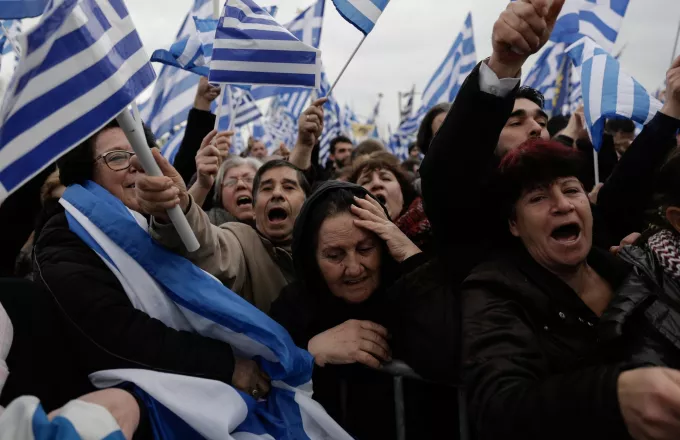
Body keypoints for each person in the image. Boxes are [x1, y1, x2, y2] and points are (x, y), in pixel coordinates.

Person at [420, 0, 680, 289]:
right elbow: (446, 171)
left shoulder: (591, 234)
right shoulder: (472, 216)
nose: (534, 127)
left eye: (541, 122)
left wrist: (671, 109)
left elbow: (622, 194)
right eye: (515, 122)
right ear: (514, 223)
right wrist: (505, 66)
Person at [32, 120, 268, 406]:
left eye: (143, 154)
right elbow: (114, 334)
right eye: (117, 157)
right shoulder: (63, 235)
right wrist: (226, 365)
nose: (136, 165)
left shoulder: (157, 228)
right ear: (87, 172)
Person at [462, 139, 680, 440]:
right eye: (538, 198)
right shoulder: (495, 289)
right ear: (514, 223)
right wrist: (613, 395)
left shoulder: (631, 267)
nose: (563, 205)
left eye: (571, 190)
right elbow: (499, 403)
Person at [269, 181, 456, 439]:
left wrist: (411, 257)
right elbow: (263, 375)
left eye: (366, 249)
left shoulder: (411, 291)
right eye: (335, 256)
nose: (355, 268)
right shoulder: (294, 306)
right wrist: (308, 353)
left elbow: (452, 353)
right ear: (312, 260)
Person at [137, 156, 311, 313]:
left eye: (289, 187)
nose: (277, 194)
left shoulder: (327, 237)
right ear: (254, 210)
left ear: (307, 204)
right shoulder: (243, 240)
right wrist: (177, 209)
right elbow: (211, 247)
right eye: (266, 188)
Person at [349, 157, 432, 252]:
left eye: (386, 178)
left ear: (403, 193)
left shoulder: (437, 228)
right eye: (365, 181)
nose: (376, 184)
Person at [190, 143, 262, 226]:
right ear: (220, 196)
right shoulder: (205, 225)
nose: (240, 184)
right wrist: (201, 185)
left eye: (249, 179)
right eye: (231, 182)